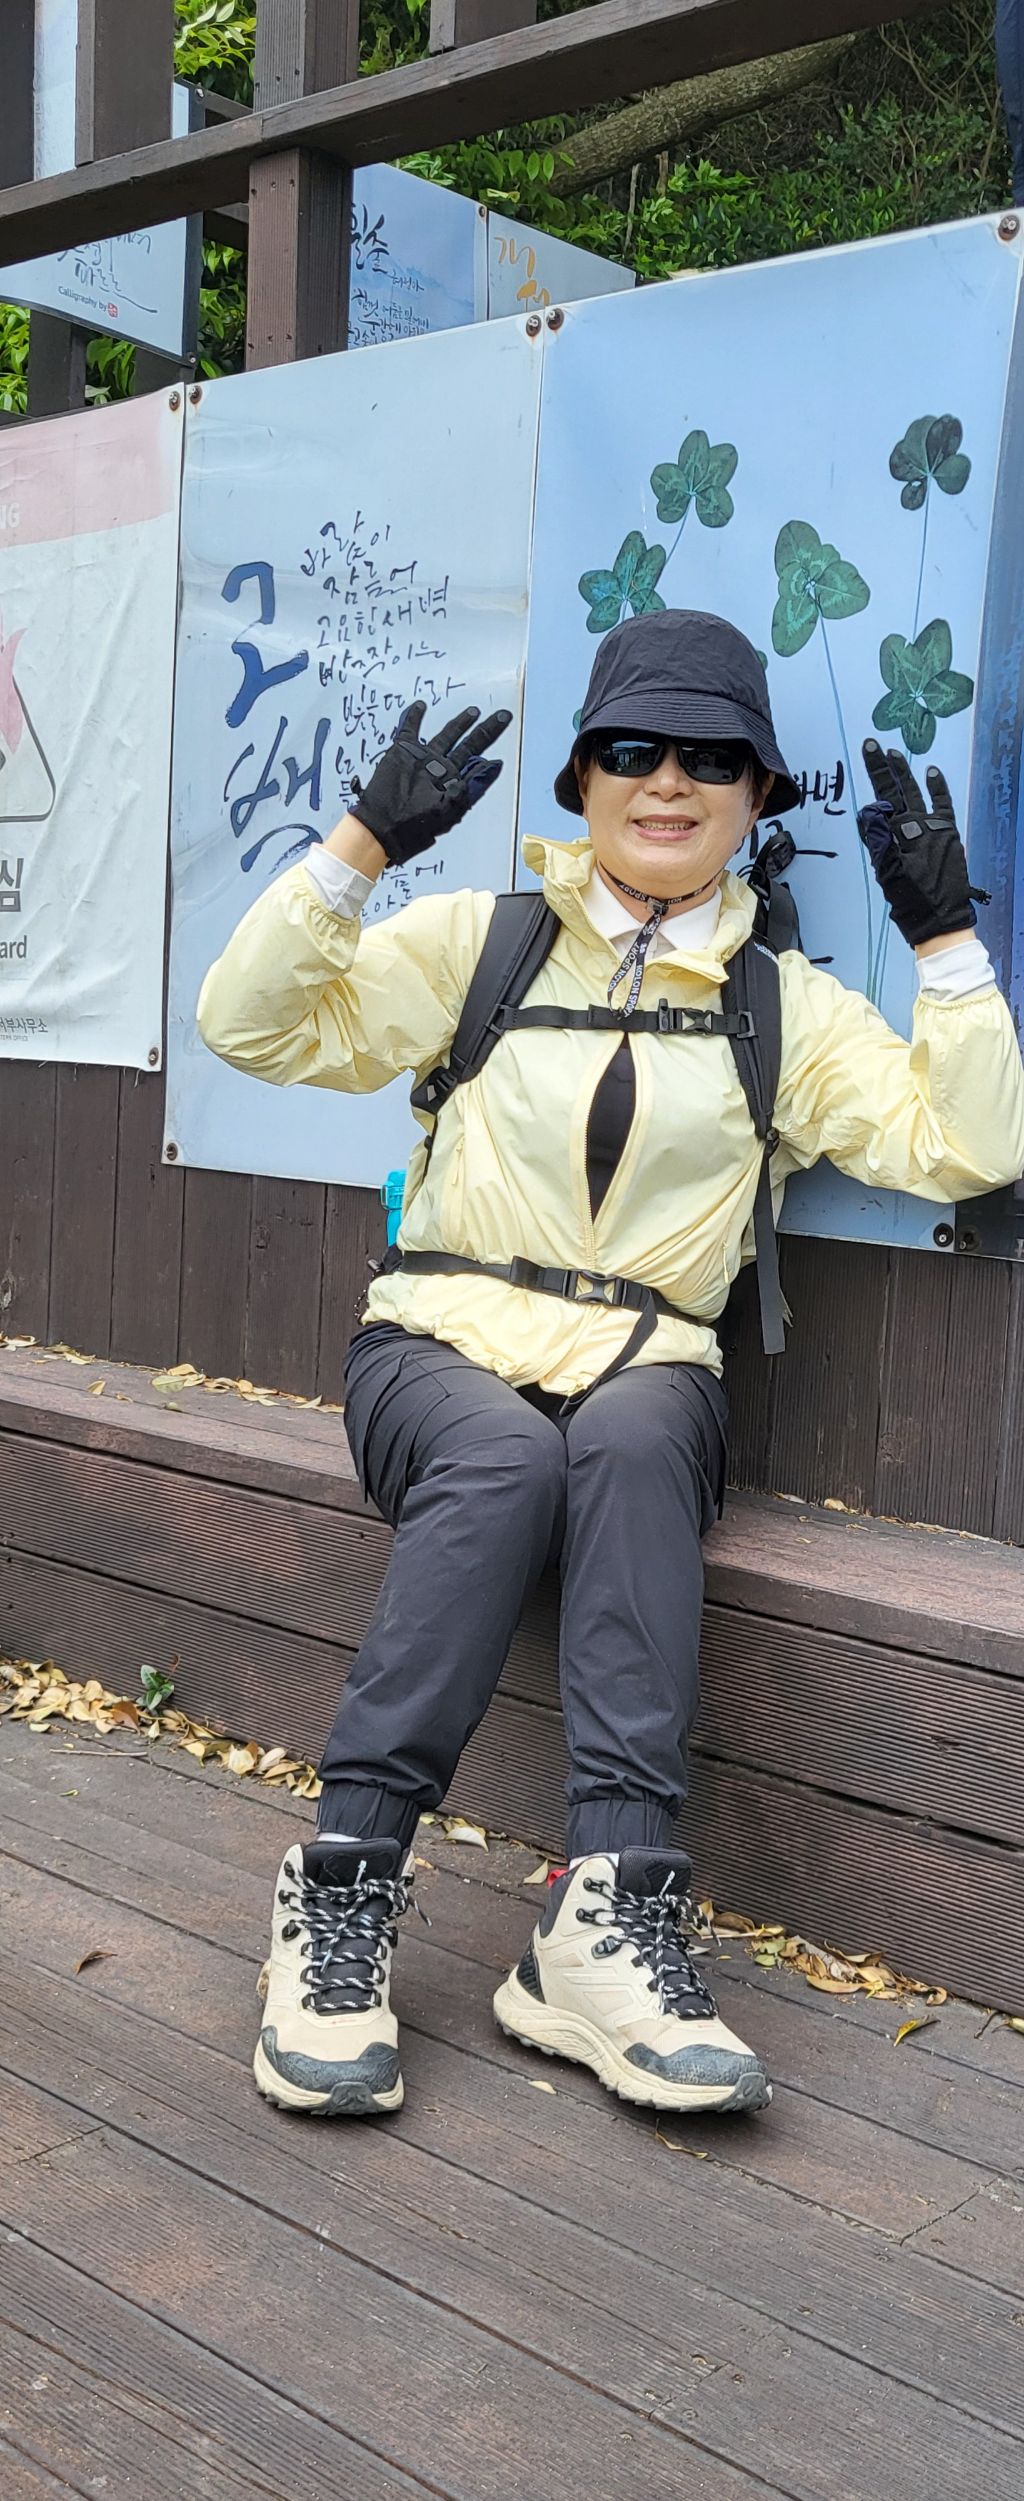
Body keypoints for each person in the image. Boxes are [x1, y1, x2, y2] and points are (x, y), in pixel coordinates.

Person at [197, 609, 1024, 2123]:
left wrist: (946, 944)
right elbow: (247, 1027)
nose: (669, 781)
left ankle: (611, 1915)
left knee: (636, 1438)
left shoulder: (778, 1006)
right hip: (439, 1344)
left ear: (757, 796)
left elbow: (970, 1146)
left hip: (648, 1361)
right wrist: (360, 850)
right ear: (582, 776)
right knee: (507, 1454)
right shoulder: (484, 942)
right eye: (634, 749)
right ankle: (345, 1881)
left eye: (713, 757)